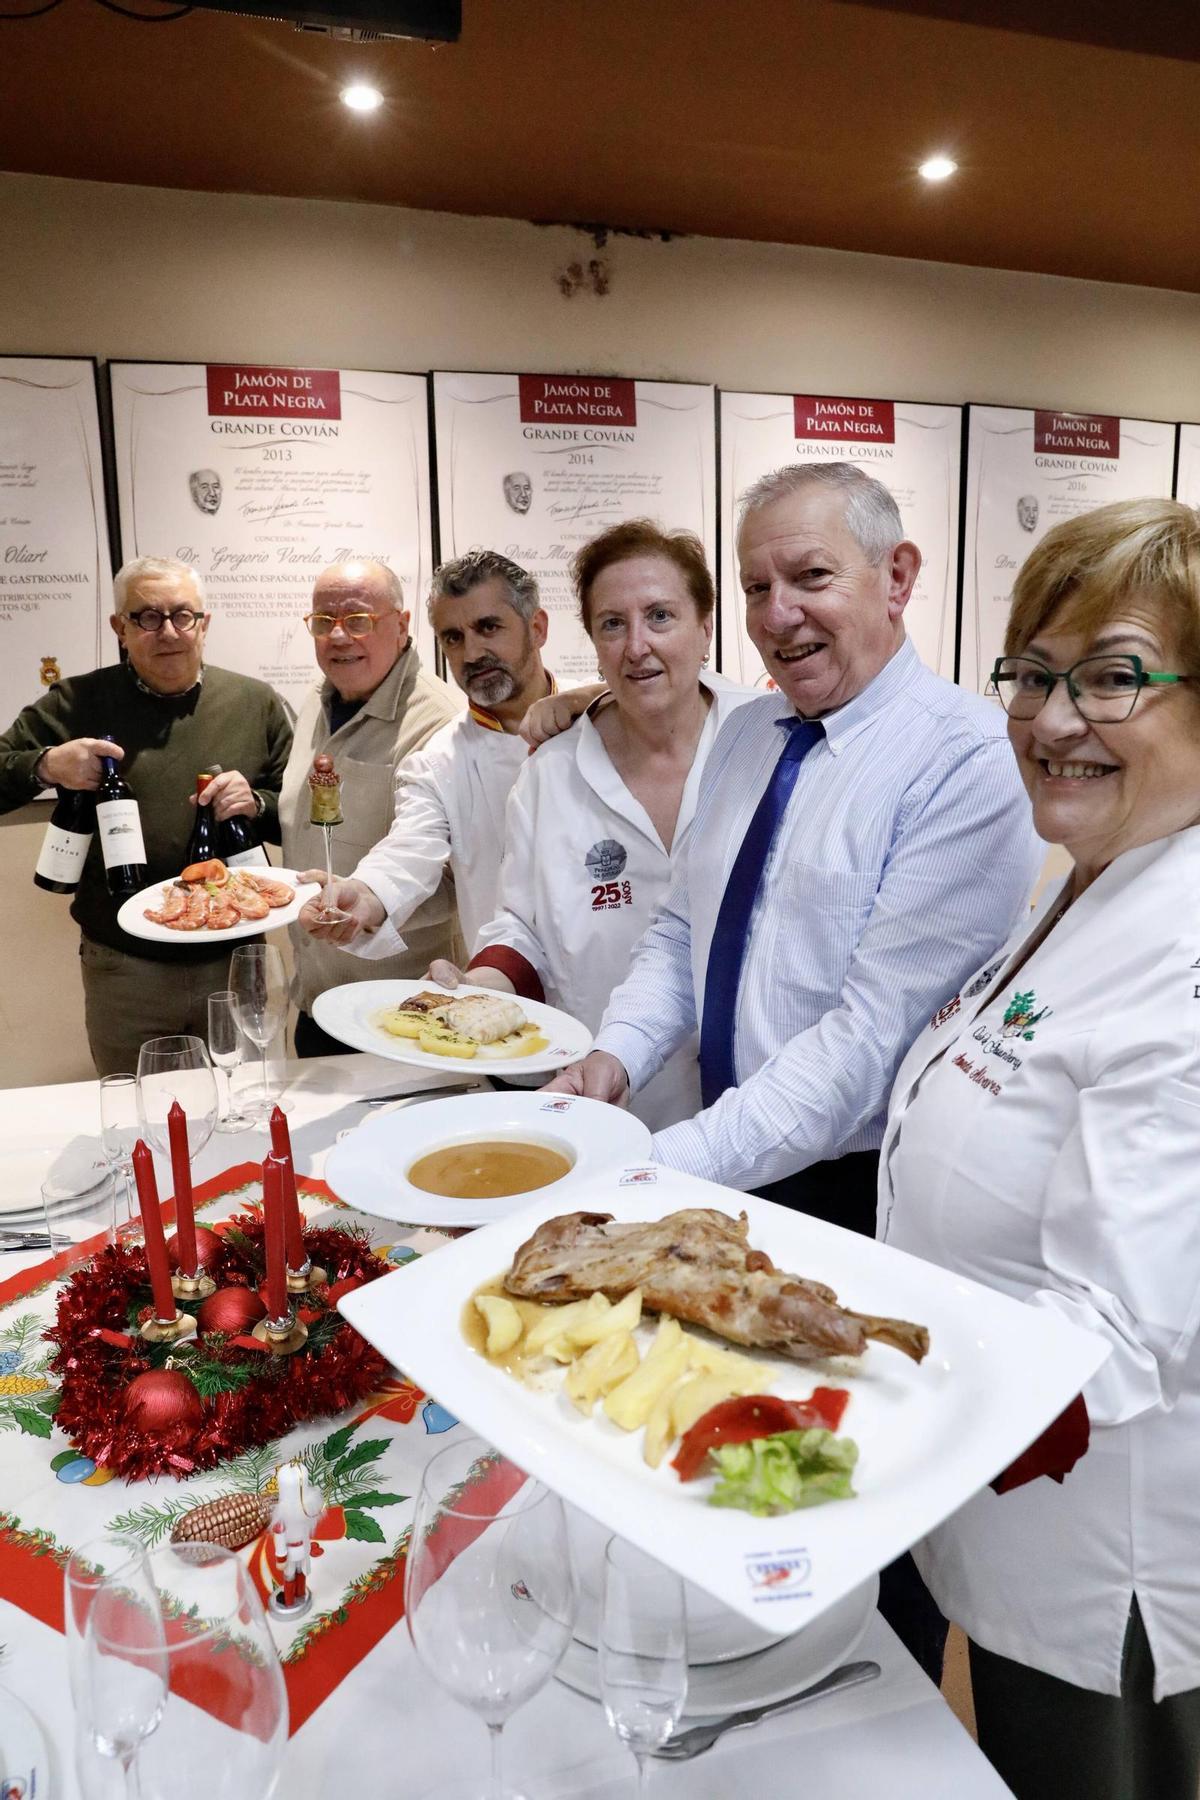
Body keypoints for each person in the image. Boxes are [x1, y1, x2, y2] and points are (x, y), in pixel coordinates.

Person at [878, 497, 1200, 1800]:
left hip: (1101, 1573)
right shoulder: (1083, 877)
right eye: (1032, 673)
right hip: (1003, 1522)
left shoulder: (1186, 957)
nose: (1054, 720)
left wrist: (851, 1399)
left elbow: (1117, 1335)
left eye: (1114, 677)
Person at [548, 462, 1041, 1225]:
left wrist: (654, 1167)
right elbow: (685, 929)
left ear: (897, 578)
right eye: (755, 588)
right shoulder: (747, 734)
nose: (778, 615)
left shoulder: (969, 760)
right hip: (724, 1150)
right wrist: (617, 1054)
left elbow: (869, 1041)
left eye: (811, 576)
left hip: (852, 1189)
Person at [430, 520, 755, 1129]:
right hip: (608, 1096)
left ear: (706, 627)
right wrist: (481, 988)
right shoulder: (550, 773)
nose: (636, 645)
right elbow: (522, 925)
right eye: (612, 624)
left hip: (764, 1110)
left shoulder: (768, 739)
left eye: (660, 616)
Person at [0, 556, 292, 1074]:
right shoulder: (75, 701)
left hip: (232, 959)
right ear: (120, 627)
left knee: (246, 1099)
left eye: (183, 615)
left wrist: (259, 803)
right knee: (140, 1103)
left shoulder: (256, 703)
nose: (169, 631)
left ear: (204, 623)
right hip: (125, 967)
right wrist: (46, 765)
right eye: (148, 617)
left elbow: (299, 814)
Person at [298, 550, 597, 963]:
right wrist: (365, 894)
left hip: (625, 981)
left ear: (537, 628)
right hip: (508, 986)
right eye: (453, 638)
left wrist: (598, 697)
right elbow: (408, 851)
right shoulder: (439, 760)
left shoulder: (606, 715)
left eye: (488, 627)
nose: (471, 654)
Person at [278, 559, 459, 1057]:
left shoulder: (440, 723)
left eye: (358, 620)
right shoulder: (317, 701)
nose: (338, 636)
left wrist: (366, 904)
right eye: (323, 621)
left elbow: (454, 878)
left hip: (401, 1016)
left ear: (402, 625)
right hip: (317, 1000)